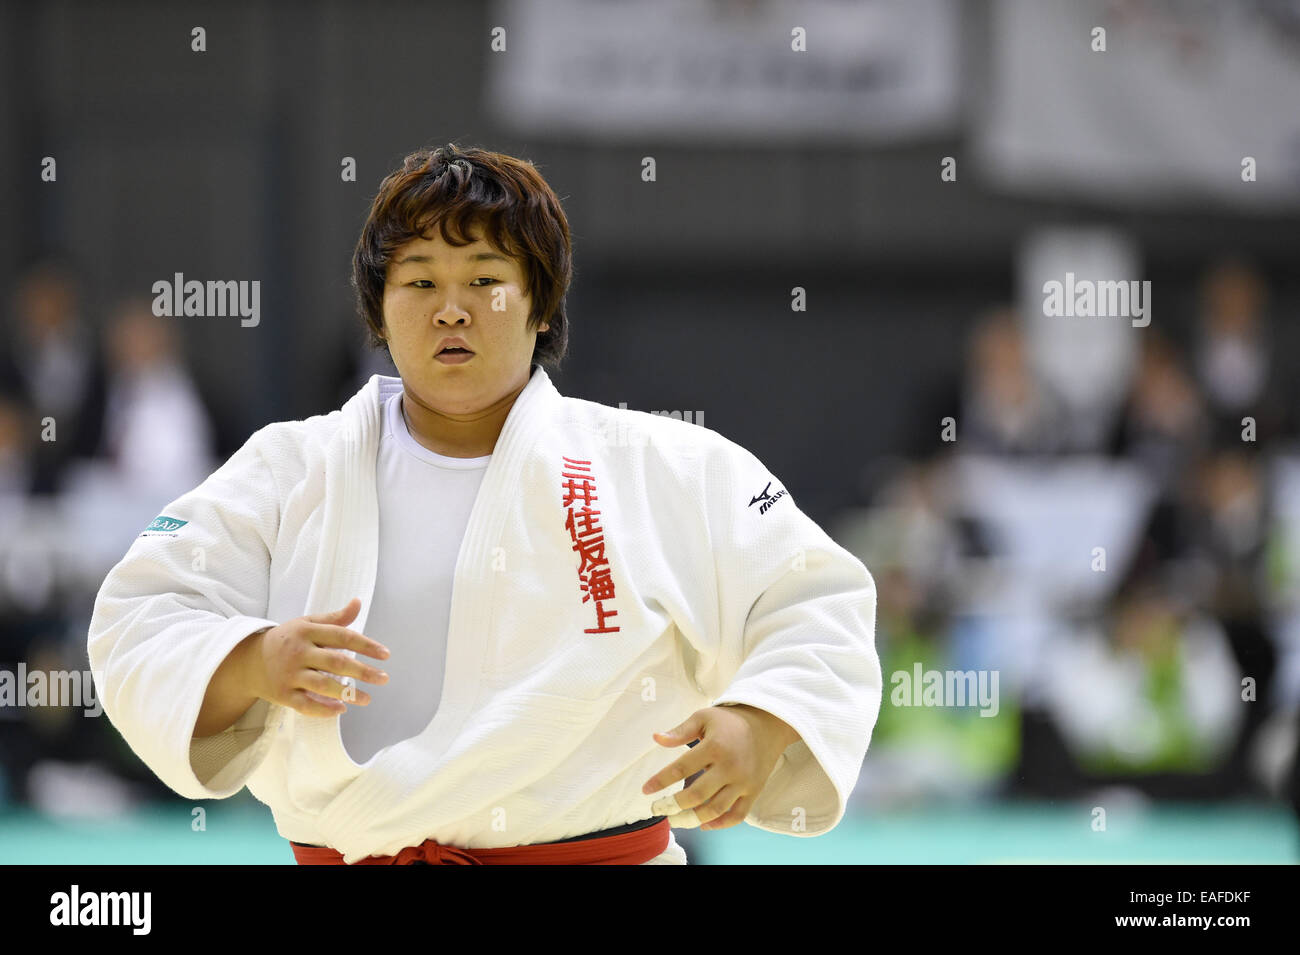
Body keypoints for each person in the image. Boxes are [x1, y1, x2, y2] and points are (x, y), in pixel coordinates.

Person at [87, 144, 881, 865]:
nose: (451, 308)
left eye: (485, 281)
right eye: (421, 280)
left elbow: (815, 596)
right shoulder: (291, 468)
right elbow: (140, 616)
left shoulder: (659, 465)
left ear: (540, 306)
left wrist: (760, 722)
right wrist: (250, 660)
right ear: (380, 308)